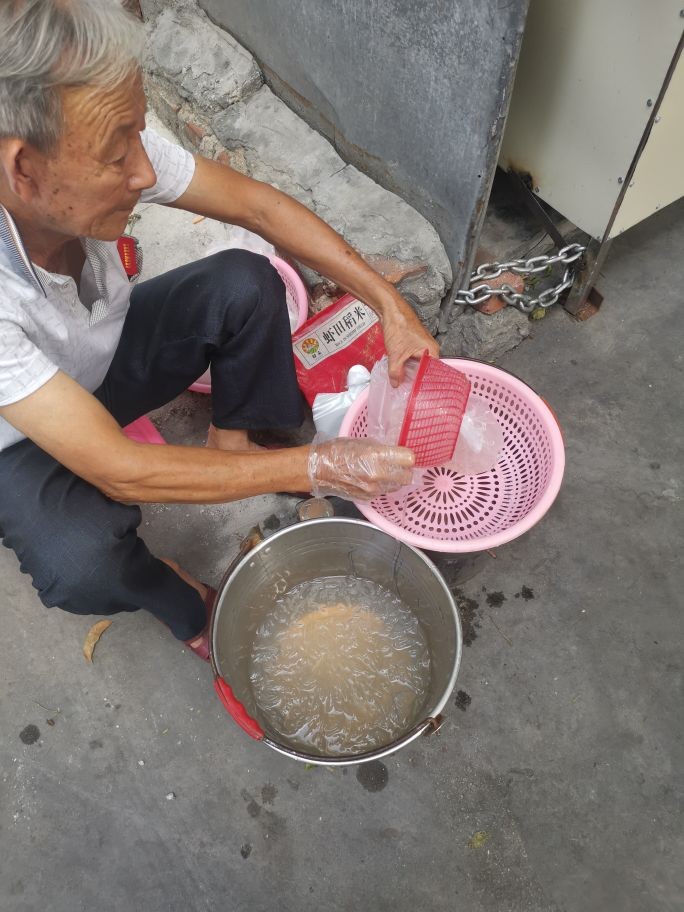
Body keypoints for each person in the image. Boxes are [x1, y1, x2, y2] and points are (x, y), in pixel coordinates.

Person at [0, 0, 439, 659]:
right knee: (80, 560)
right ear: (23, 169)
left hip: (98, 359)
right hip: (19, 439)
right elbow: (120, 470)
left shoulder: (100, 139)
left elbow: (258, 207)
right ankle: (186, 602)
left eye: (137, 134)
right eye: (117, 154)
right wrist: (319, 466)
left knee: (245, 281)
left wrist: (388, 304)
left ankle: (232, 441)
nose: (145, 173)